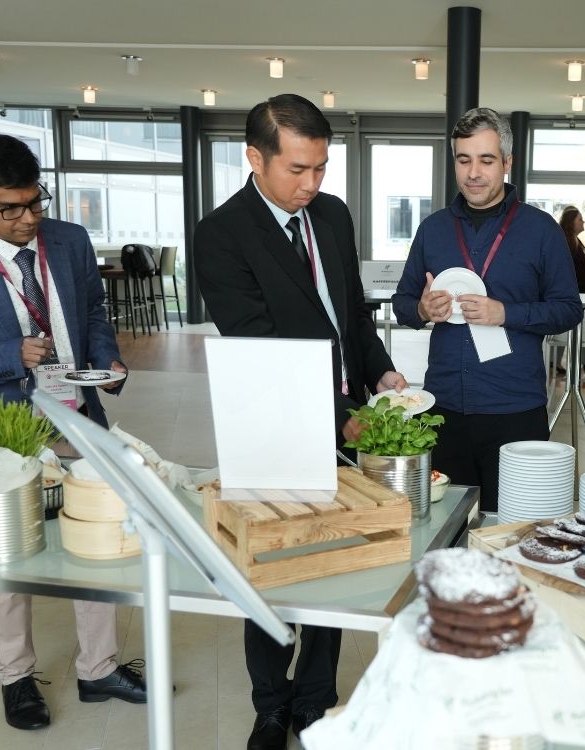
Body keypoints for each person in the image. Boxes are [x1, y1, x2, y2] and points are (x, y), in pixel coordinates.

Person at [193, 94, 405, 750]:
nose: (312, 184)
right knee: (274, 567)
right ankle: (270, 706)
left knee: (333, 564)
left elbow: (352, 315)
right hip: (273, 429)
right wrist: (338, 420)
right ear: (255, 158)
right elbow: (258, 346)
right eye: (297, 170)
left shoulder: (333, 216)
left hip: (346, 417)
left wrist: (384, 376)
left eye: (321, 168)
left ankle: (316, 698)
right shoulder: (222, 234)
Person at [0, 134, 144, 730]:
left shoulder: (69, 239)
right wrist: (13, 353)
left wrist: (106, 361)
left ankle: (99, 667)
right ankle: (16, 678)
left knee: (97, 532)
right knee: (12, 554)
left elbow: (93, 311)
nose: (29, 218)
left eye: (36, 202)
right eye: (11, 208)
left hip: (78, 411)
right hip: (2, 427)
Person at [393, 107, 582, 514]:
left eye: (486, 160)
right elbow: (402, 305)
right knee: (443, 526)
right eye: (464, 160)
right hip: (441, 408)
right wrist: (423, 308)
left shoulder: (540, 230)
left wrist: (506, 313)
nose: (473, 172)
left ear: (507, 163)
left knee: (515, 526)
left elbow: (568, 310)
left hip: (514, 409)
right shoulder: (434, 229)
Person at [555, 206, 585, 375]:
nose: (583, 222)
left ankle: (583, 362)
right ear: (571, 222)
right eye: (580, 219)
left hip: (582, 291)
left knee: (583, 326)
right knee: (580, 326)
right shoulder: (565, 242)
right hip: (576, 293)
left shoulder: (574, 241)